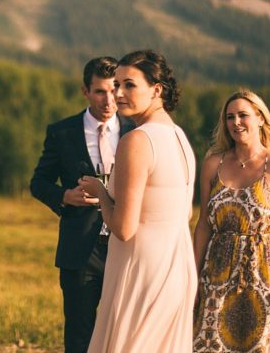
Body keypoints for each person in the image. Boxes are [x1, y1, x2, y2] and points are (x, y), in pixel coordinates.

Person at [79, 50, 197, 352]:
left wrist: (101, 193)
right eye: (116, 84)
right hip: (177, 268)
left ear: (157, 89)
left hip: (142, 270)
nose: (118, 93)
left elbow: (124, 228)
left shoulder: (137, 140)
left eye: (129, 85)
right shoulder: (180, 137)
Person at [30, 56, 136, 353]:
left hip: (126, 246)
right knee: (79, 337)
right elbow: (38, 183)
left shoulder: (136, 131)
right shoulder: (62, 132)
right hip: (80, 252)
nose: (109, 99)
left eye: (115, 89)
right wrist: (64, 196)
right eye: (100, 91)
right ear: (85, 91)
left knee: (122, 335)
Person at [193, 90, 270, 353]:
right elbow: (204, 225)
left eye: (243, 115)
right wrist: (192, 277)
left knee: (259, 345)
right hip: (216, 272)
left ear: (261, 119)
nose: (236, 122)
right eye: (230, 117)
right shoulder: (212, 164)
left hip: (263, 273)